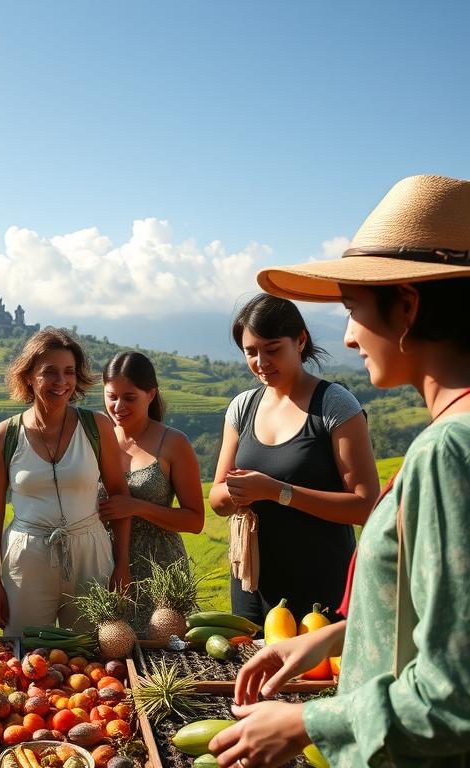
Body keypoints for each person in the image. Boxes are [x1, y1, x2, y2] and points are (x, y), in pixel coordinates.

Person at [210, 174, 470, 767]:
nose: (349, 338)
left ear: (406, 307)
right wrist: (331, 637)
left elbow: (454, 693)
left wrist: (306, 721)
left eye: (352, 311)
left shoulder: (448, 452)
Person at [208, 294, 379, 626]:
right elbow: (216, 499)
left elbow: (365, 505)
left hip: (321, 583)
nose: (261, 362)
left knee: (322, 676)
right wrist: (239, 491)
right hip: (251, 583)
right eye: (251, 352)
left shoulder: (334, 405)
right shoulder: (242, 408)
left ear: (300, 340)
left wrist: (276, 491)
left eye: (272, 349)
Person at [0, 328, 131, 635]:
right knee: (26, 654)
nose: (61, 382)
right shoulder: (4, 436)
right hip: (27, 557)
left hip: (90, 552)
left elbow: (119, 496)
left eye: (69, 372)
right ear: (28, 377)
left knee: (93, 651)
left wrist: (122, 563)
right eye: (49, 372)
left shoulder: (96, 426)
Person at [98, 351, 205, 634]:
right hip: (103, 563)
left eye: (129, 398)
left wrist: (137, 507)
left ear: (151, 394)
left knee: (163, 654)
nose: (118, 406)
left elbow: (195, 520)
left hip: (160, 567)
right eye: (112, 396)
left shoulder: (173, 443)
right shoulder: (98, 439)